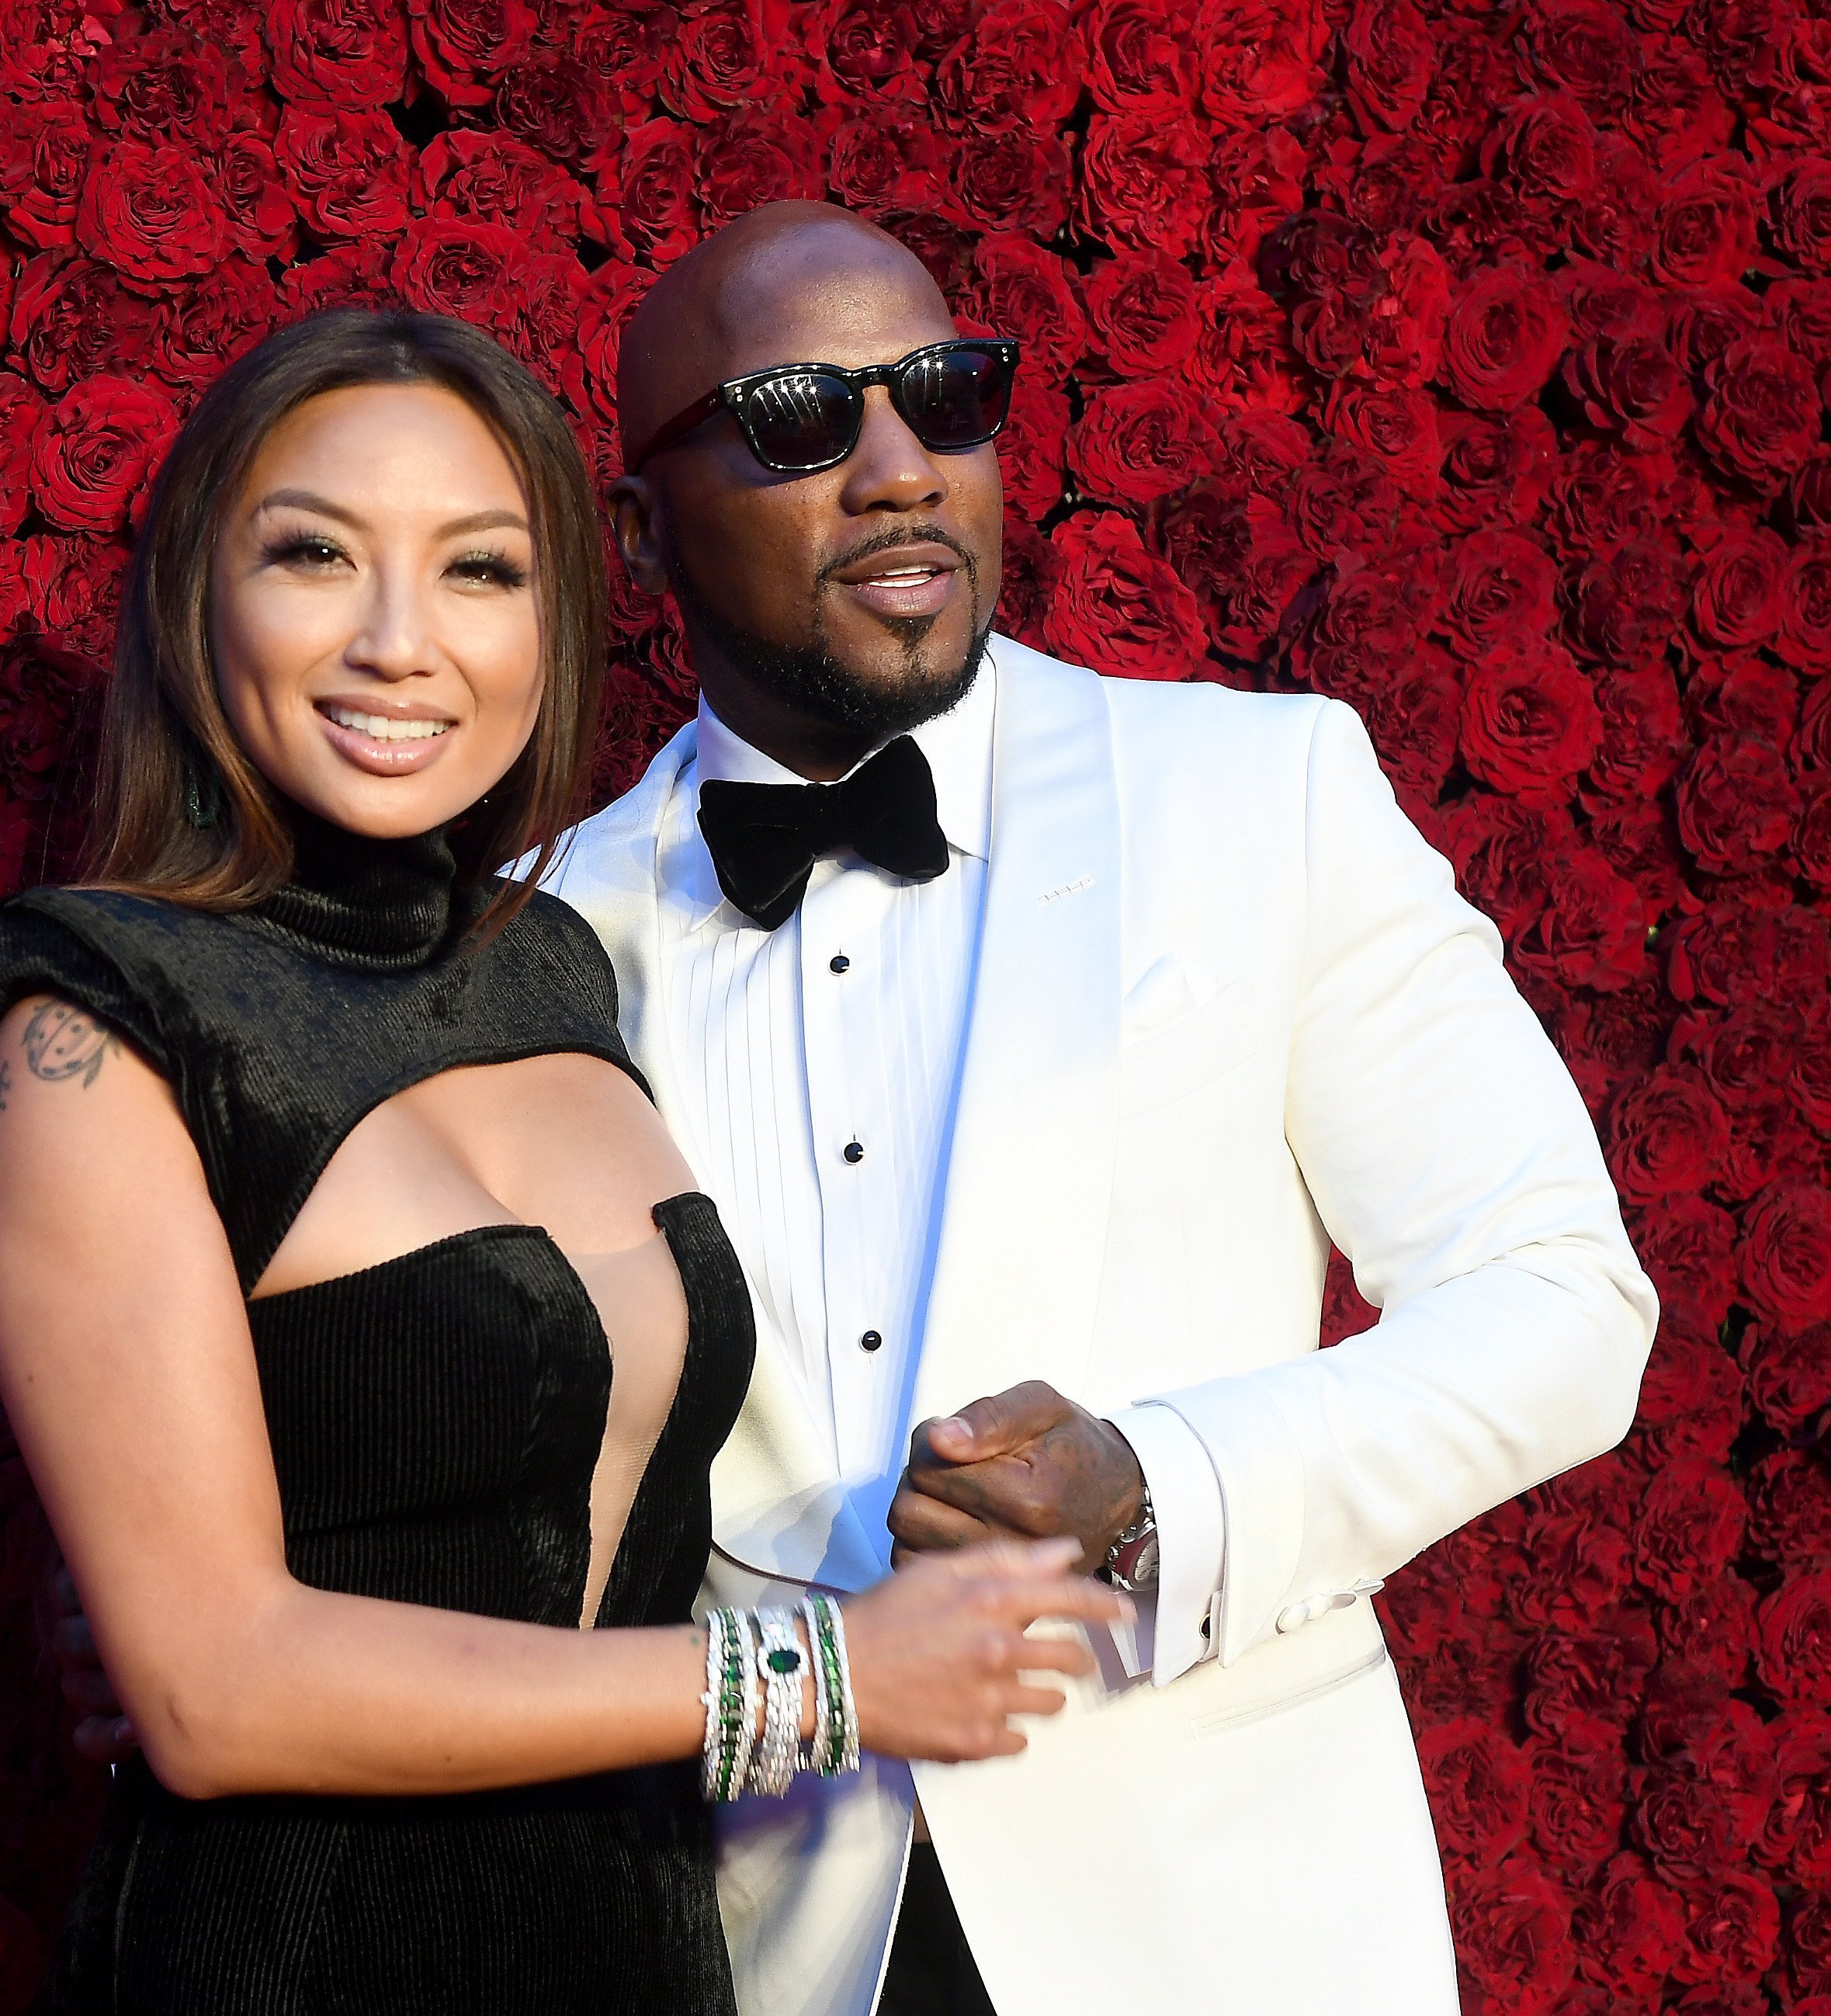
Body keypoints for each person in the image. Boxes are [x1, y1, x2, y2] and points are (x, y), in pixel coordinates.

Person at [0, 307, 1126, 2015]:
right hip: (295, 1959)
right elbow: (208, 1694)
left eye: (479, 571)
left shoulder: (554, 965)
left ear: (556, 618)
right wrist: (824, 1683)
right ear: (199, 595)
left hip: (641, 1954)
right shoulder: (96, 1025)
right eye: (313, 556)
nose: (399, 644)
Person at [553, 202, 1656, 2014]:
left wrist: (1158, 1486)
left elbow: (1561, 1300)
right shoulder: (541, 943)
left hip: (1221, 1933)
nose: (898, 470)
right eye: (796, 419)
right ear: (637, 532)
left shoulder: (1263, 795)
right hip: (743, 1943)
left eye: (943, 395)